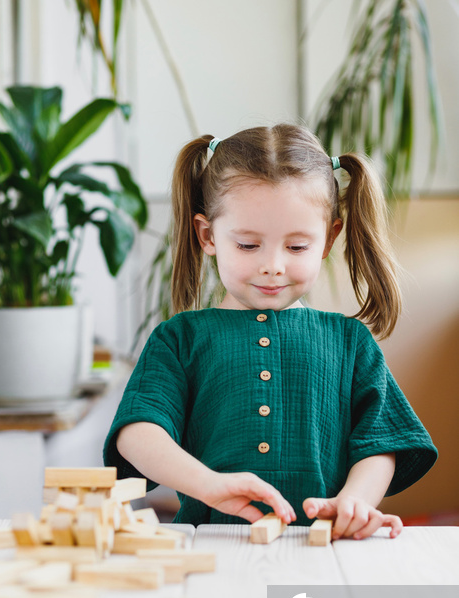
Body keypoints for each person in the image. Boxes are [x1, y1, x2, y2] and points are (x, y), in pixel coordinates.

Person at [103, 123, 438, 540]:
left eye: (297, 247)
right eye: (248, 245)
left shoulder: (351, 343)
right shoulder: (179, 339)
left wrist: (355, 500)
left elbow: (381, 441)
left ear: (330, 238)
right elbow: (138, 433)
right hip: (213, 549)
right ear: (207, 235)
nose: (273, 265)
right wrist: (208, 485)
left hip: (325, 551)